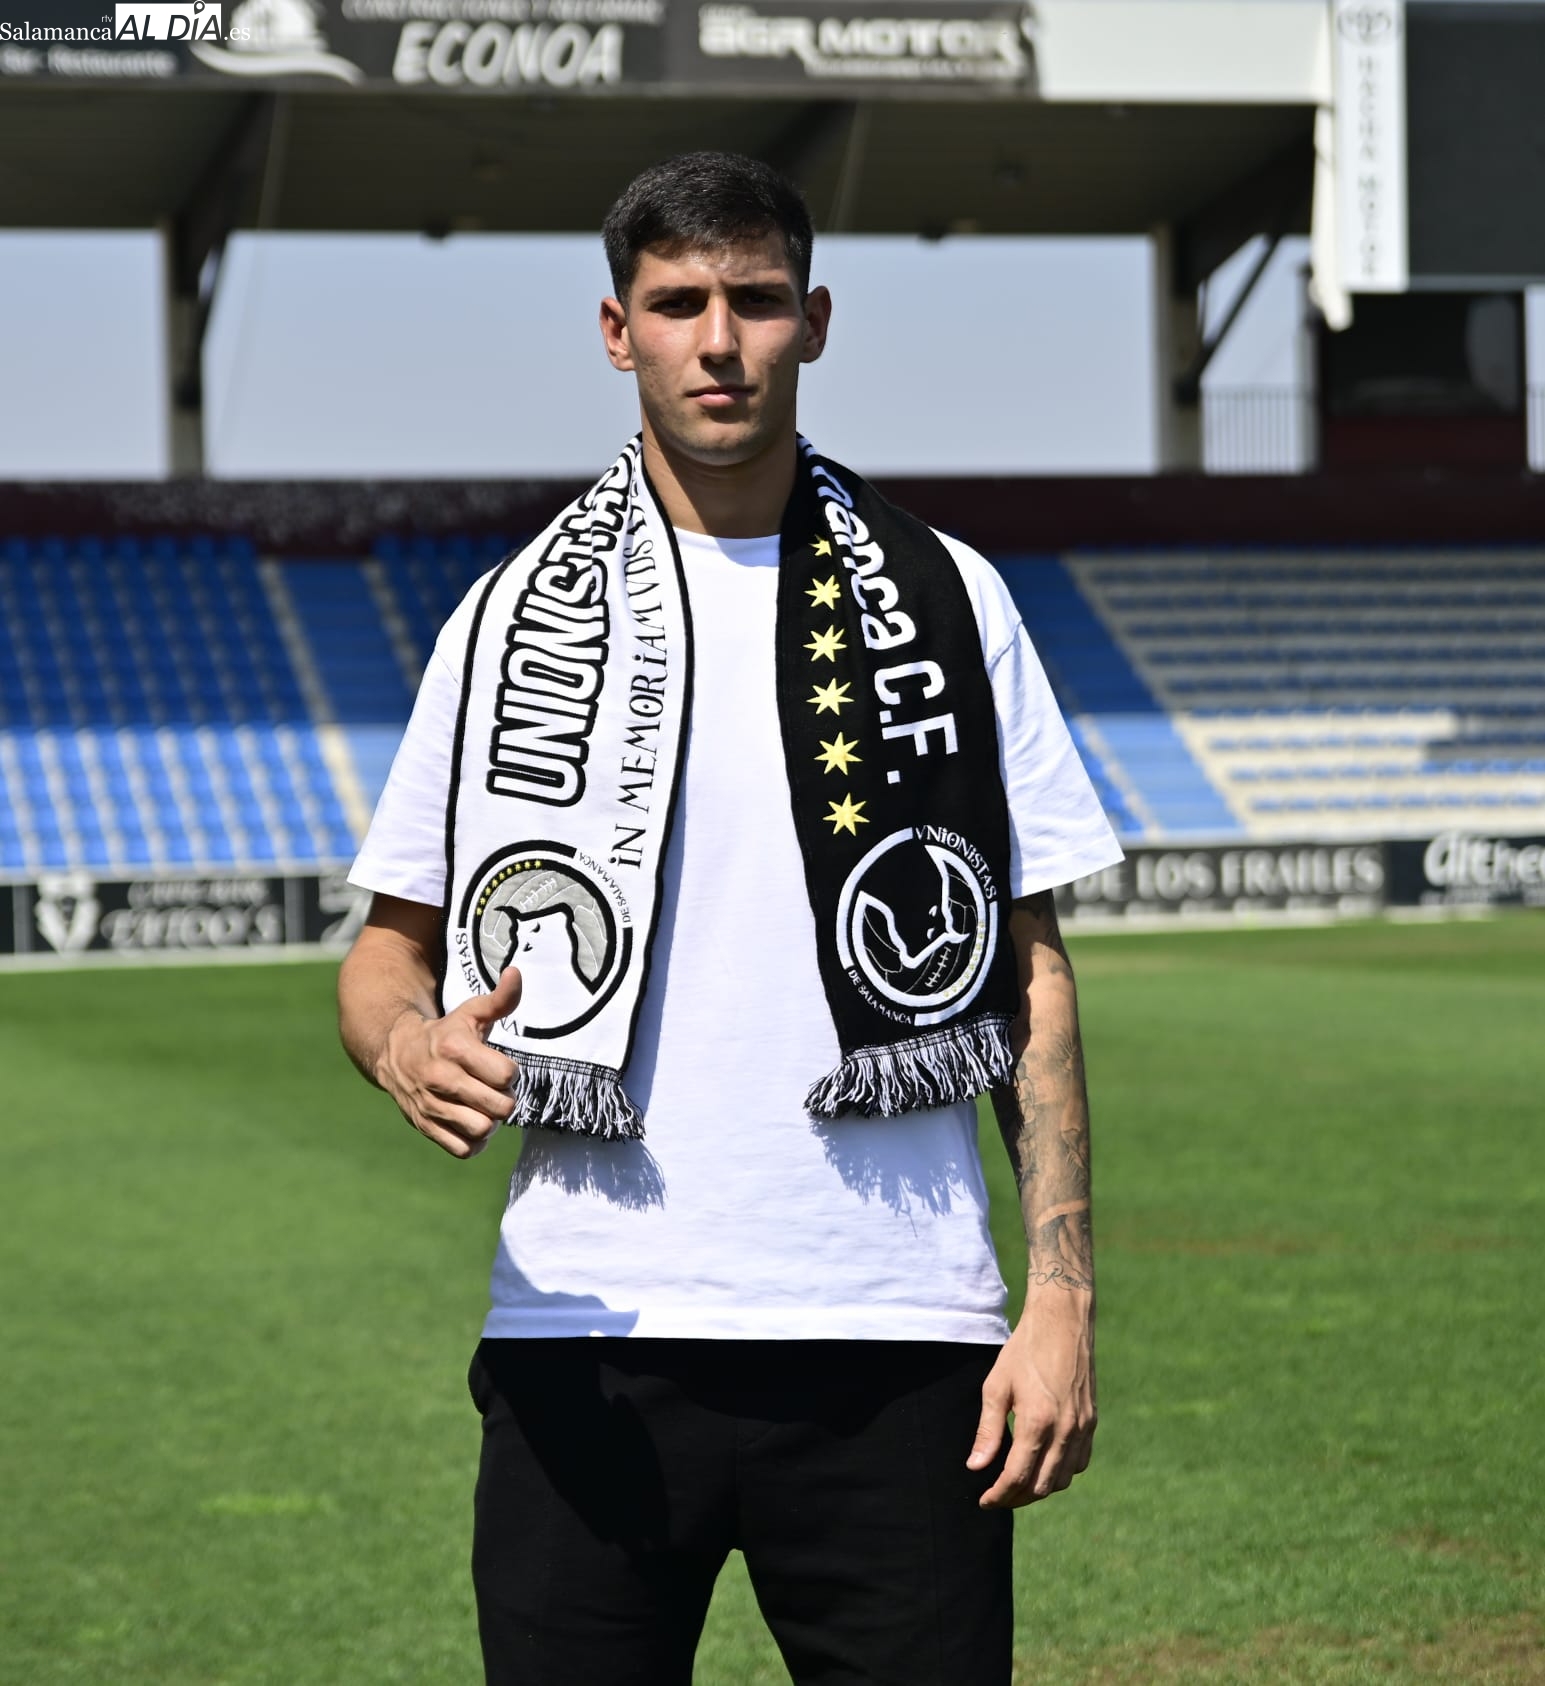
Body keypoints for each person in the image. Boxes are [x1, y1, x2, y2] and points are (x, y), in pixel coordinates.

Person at [338, 150, 1124, 1686]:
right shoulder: (505, 619)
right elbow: (386, 953)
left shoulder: (948, 598)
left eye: (755, 301)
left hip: (901, 1343)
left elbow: (1026, 967)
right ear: (615, 329)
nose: (719, 341)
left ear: (813, 322)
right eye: (677, 302)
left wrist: (1063, 1298)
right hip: (585, 1343)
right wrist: (403, 1045)